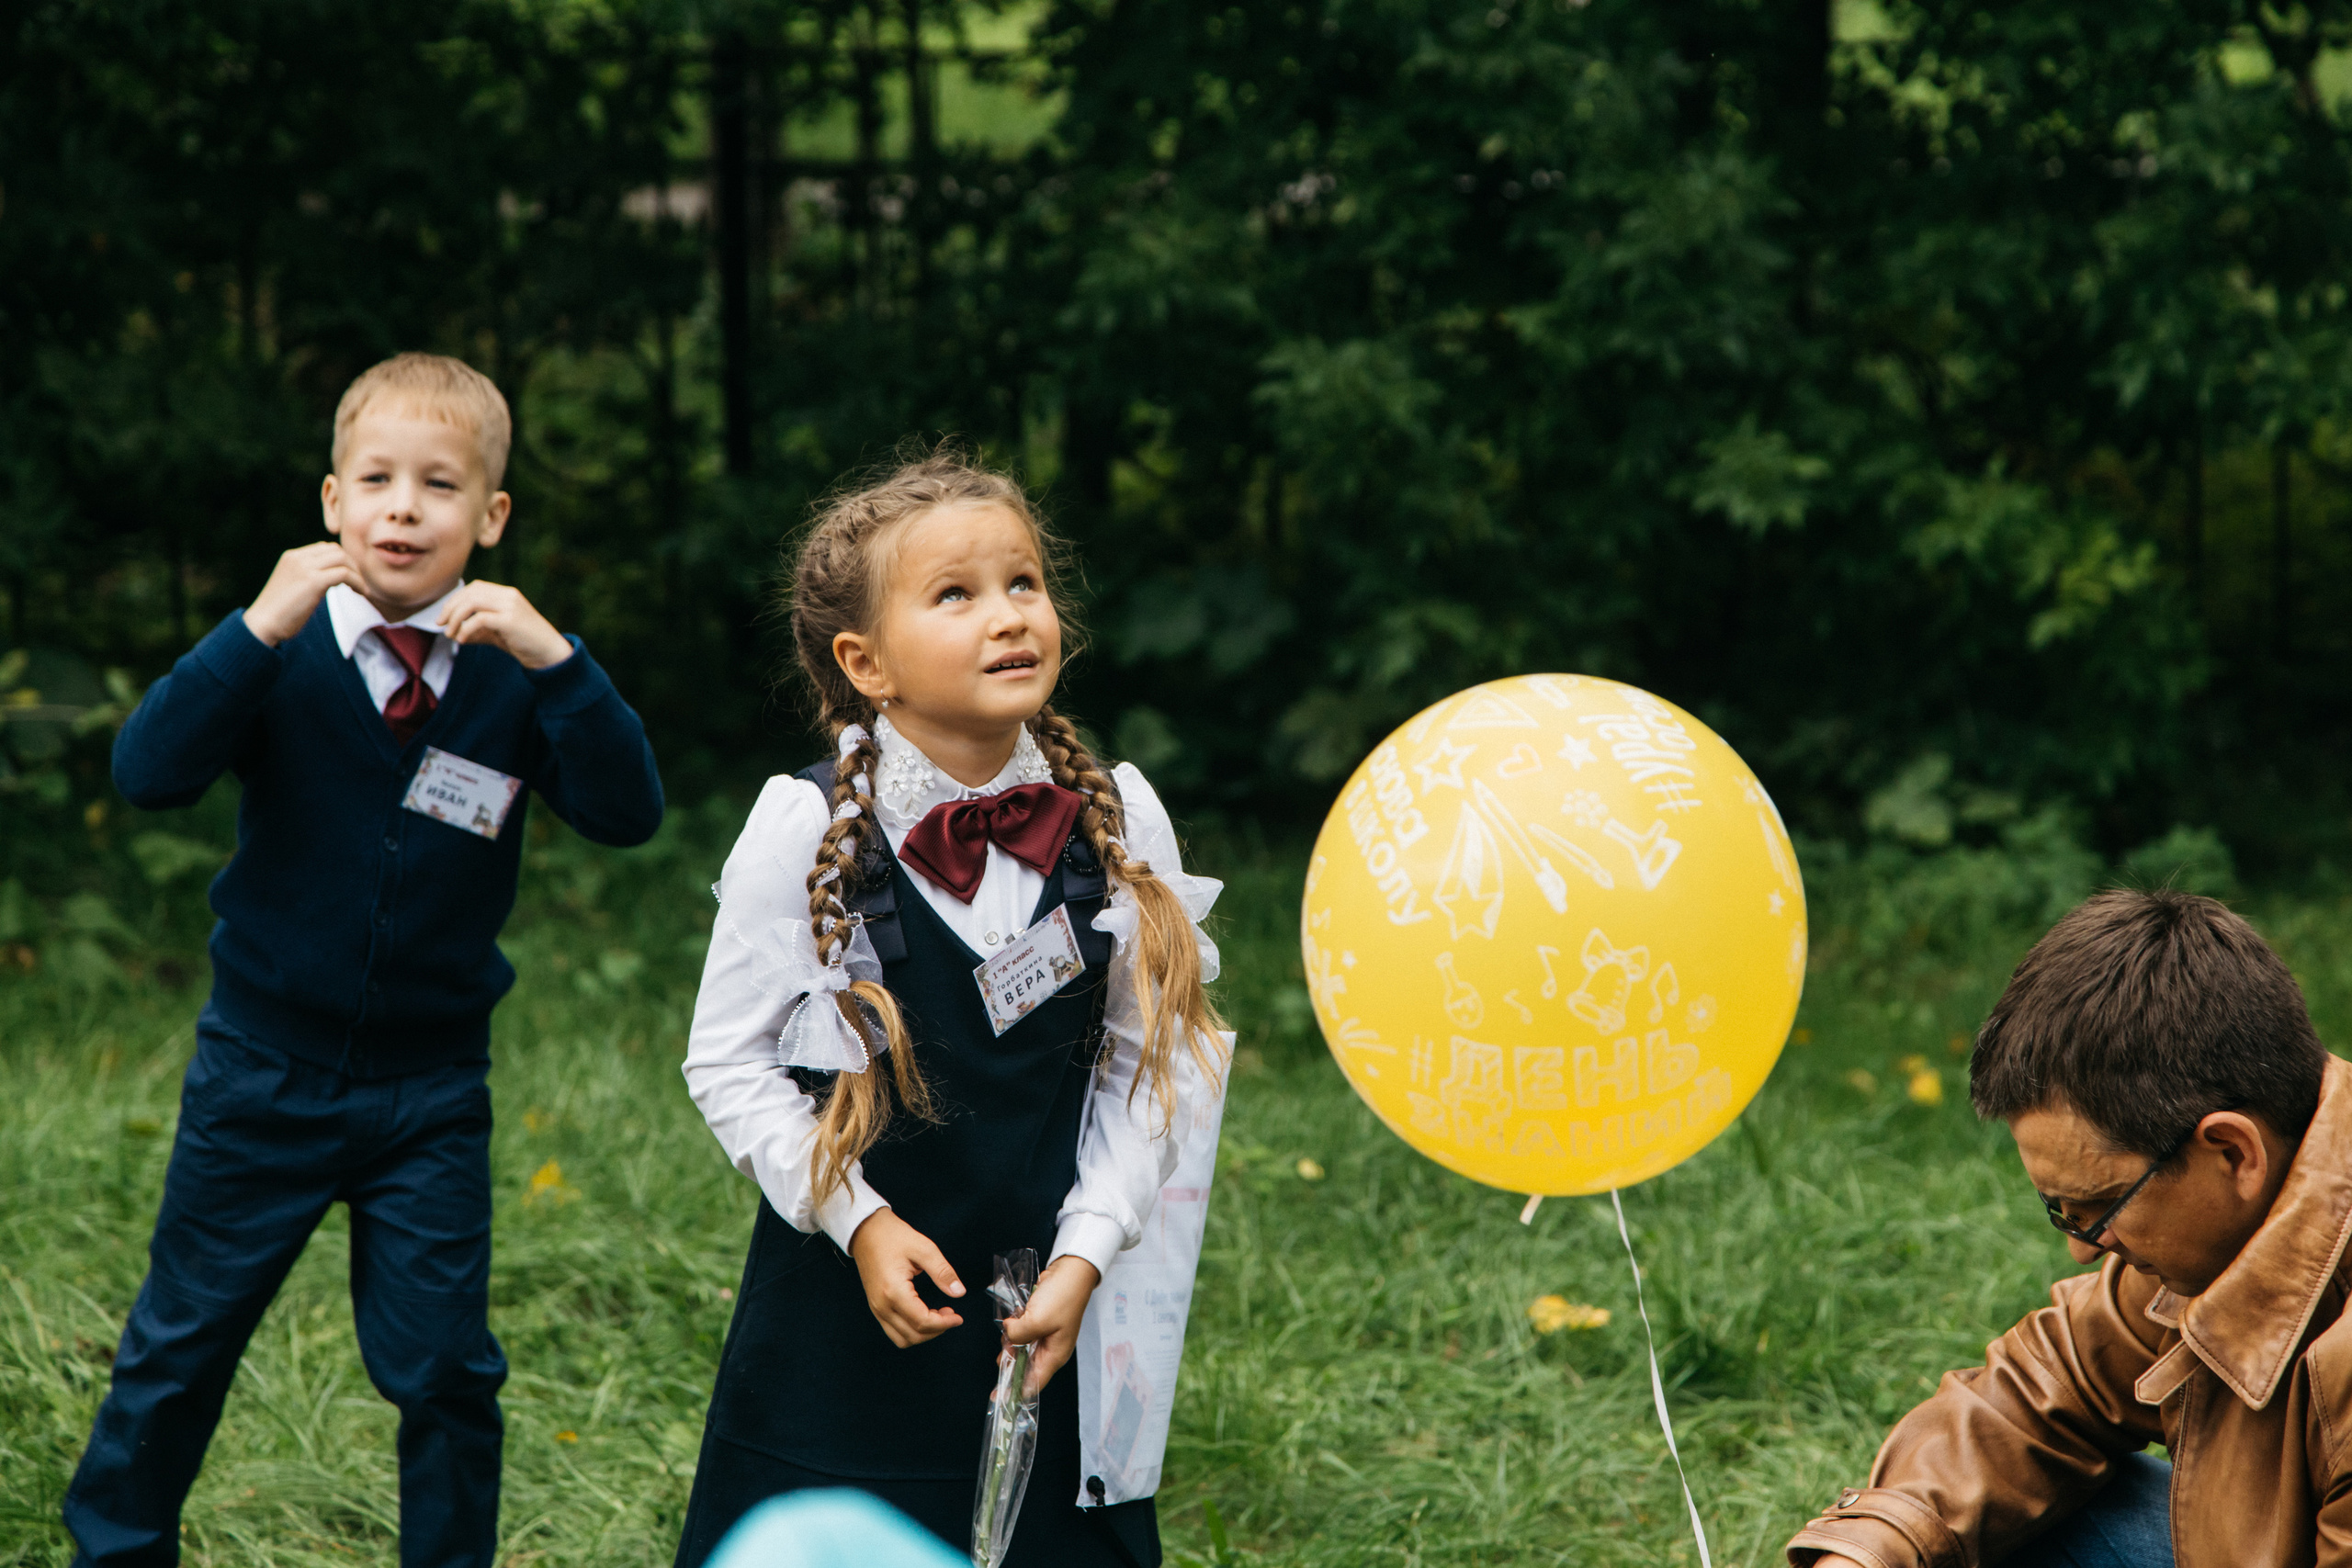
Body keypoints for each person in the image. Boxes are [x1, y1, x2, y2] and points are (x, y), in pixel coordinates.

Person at [70, 353, 665, 1567]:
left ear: (490, 518)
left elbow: (628, 811)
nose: (405, 505)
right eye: (378, 479)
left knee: (447, 1367)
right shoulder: (278, 655)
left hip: (428, 1092)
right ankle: (115, 1548)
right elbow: (147, 771)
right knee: (178, 1344)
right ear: (332, 501)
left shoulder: (510, 671)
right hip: (261, 1076)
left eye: (439, 483)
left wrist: (564, 663)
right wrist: (251, 626)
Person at [674, 450, 1227, 1567]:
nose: (1008, 616)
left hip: (1047, 1319)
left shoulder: (1118, 818)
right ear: (864, 662)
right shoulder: (804, 825)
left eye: (1023, 583)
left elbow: (1154, 1066)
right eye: (955, 595)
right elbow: (727, 1066)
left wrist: (1086, 1255)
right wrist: (859, 1224)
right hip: (840, 1328)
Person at [1788, 888, 2352, 1568]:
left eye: (2100, 1206)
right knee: (2018, 1508)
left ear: (2233, 1153)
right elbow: (2042, 1388)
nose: (2080, 1247)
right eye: (2061, 1210)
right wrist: (1869, 1551)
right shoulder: (2229, 1239)